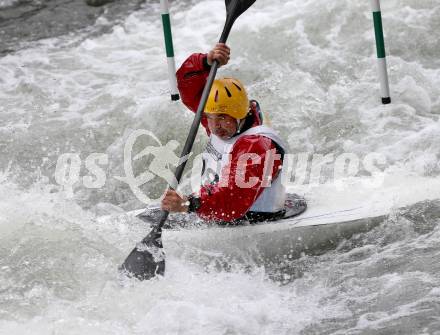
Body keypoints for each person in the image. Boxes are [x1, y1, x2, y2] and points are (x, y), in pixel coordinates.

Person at [161, 43, 287, 223]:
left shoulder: (256, 145)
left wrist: (188, 205)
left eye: (221, 117)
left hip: (252, 219)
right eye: (209, 117)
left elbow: (233, 200)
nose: (214, 125)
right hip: (213, 209)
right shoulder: (224, 121)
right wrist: (205, 62)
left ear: (239, 115)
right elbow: (187, 85)